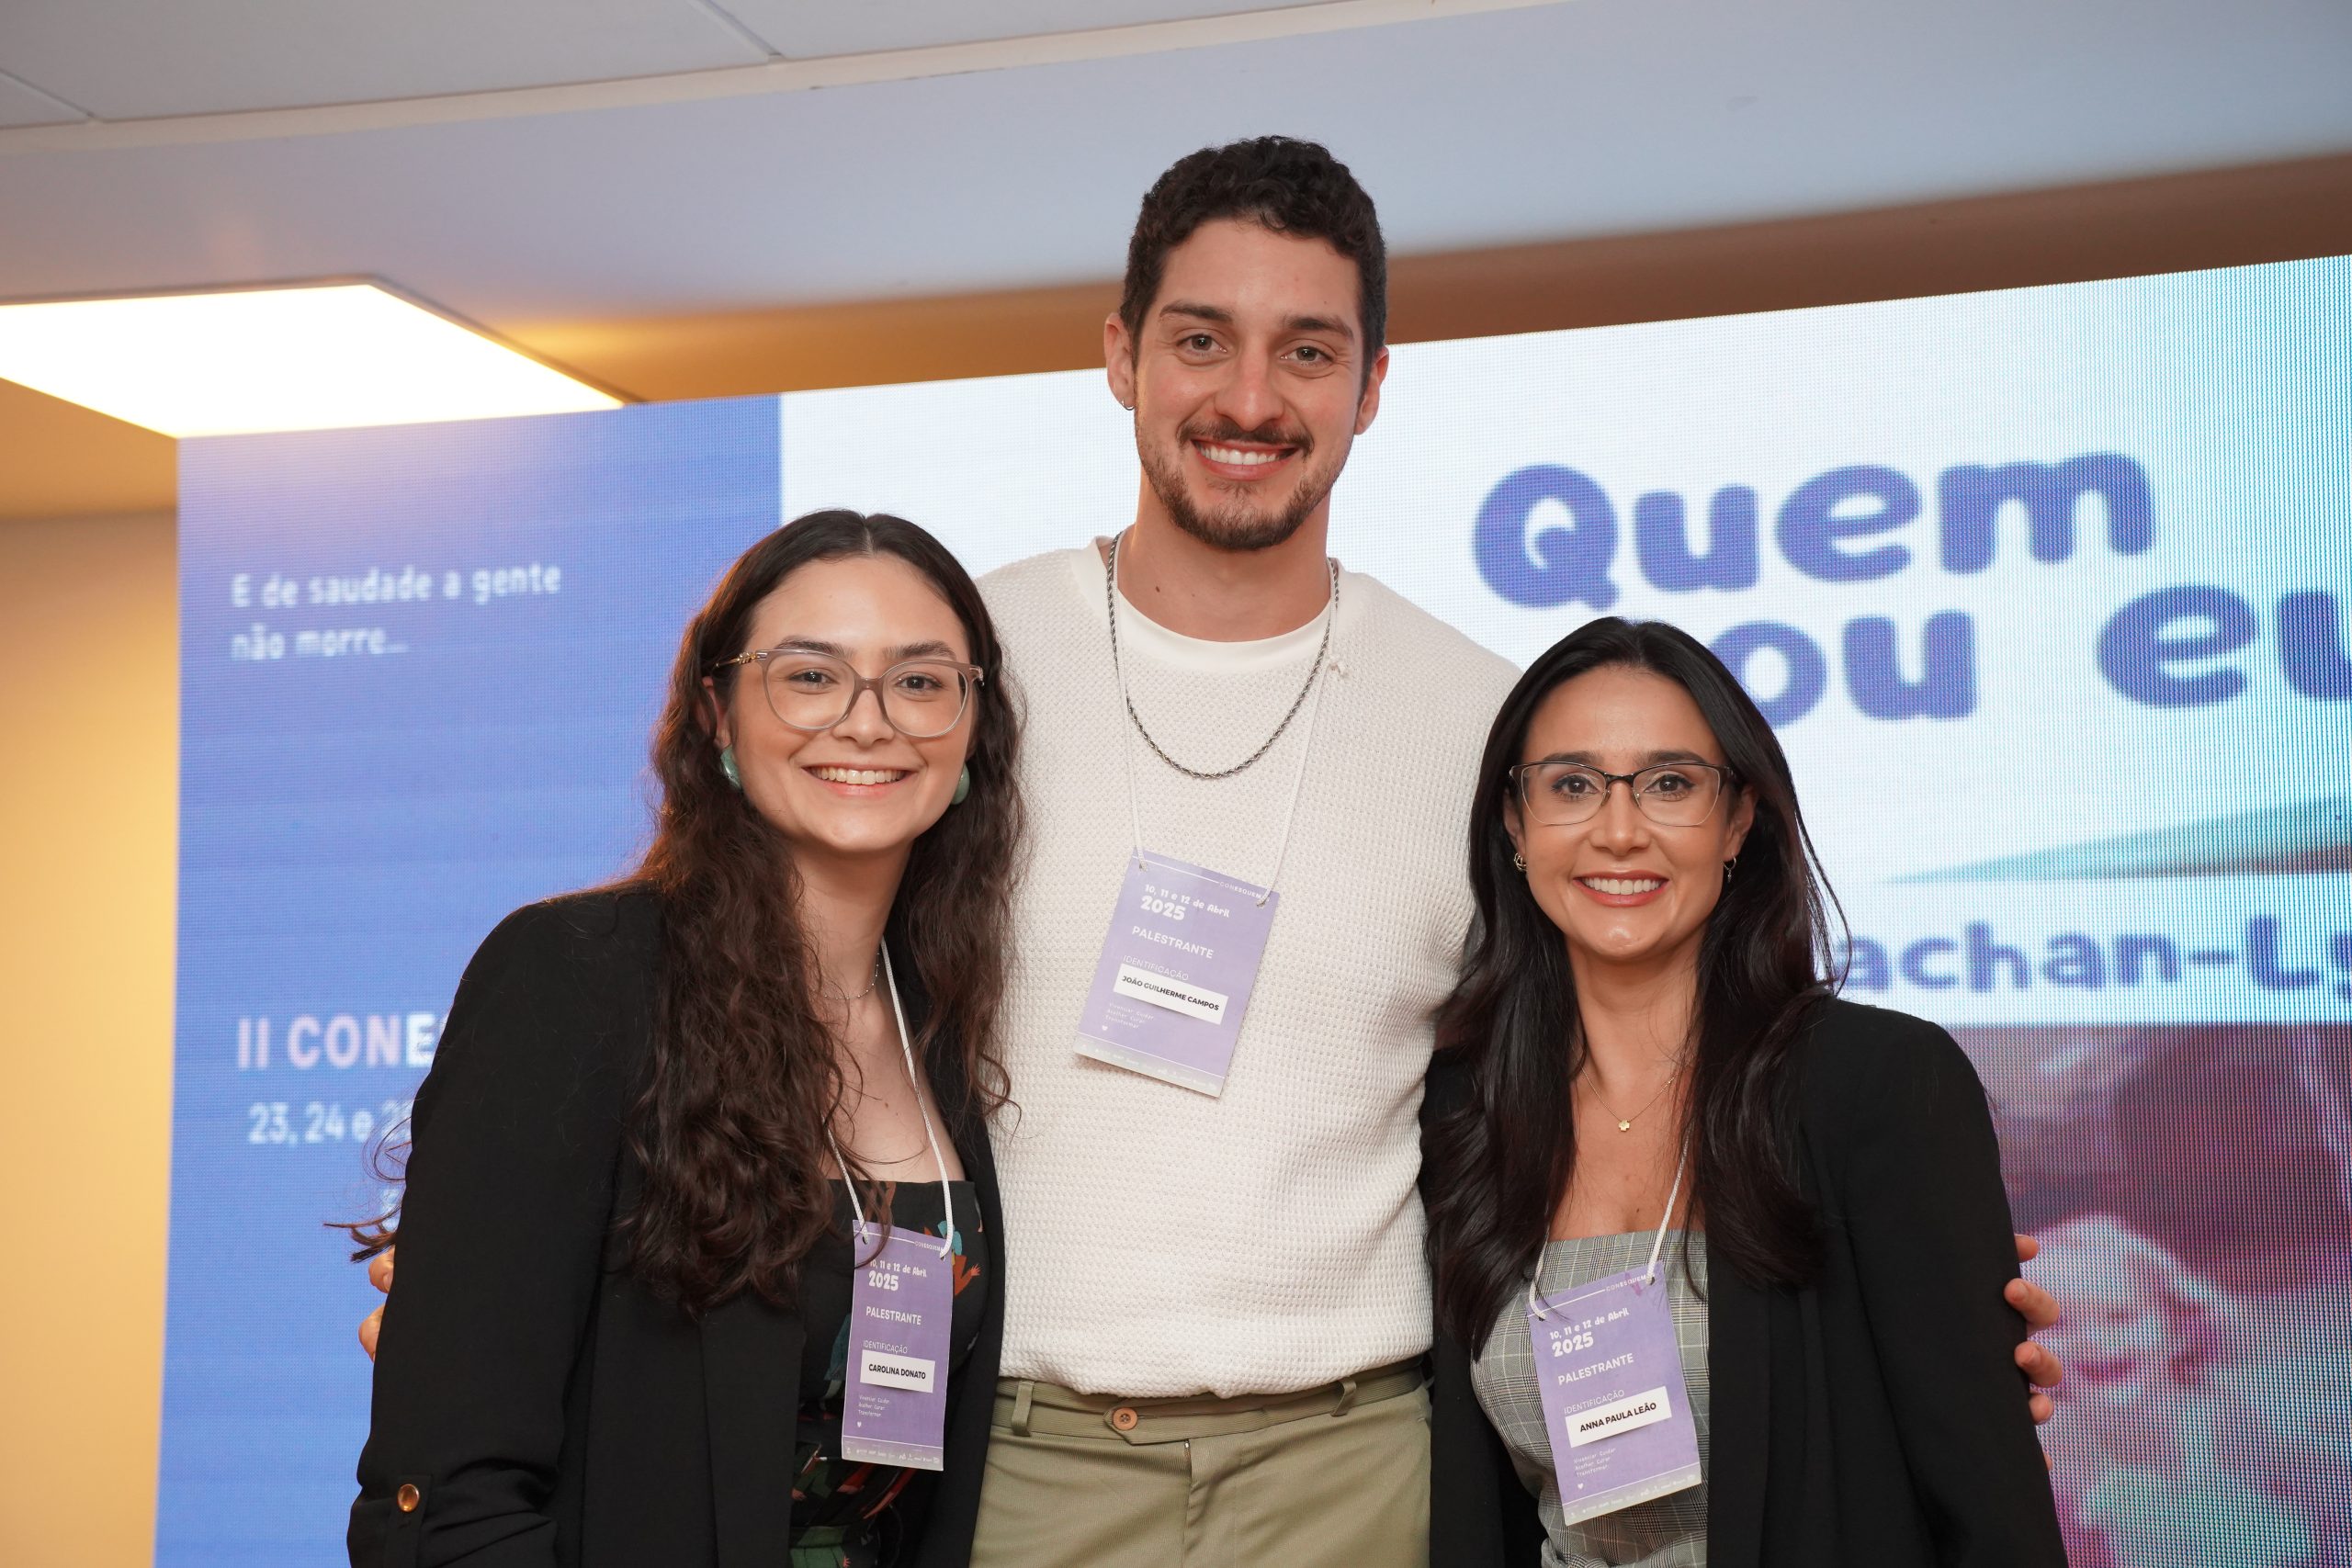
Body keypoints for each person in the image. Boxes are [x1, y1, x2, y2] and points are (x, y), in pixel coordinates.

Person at [363, 138, 2068, 1568]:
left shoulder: (1488, 723)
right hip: (1012, 1464)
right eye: (1201, 339)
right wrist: (527, 1290)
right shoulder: (958, 673)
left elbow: (1583, 1066)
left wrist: (1873, 1320)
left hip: (1361, 1469)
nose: (1250, 397)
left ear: (1373, 385)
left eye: (1308, 351)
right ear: (1120, 354)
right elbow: (767, 990)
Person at [348, 511, 1023, 1566]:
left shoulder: (937, 1021)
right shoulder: (576, 976)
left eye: (921, 680)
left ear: (973, 728)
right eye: (810, 676)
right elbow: (452, 1488)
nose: (867, 722)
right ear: (717, 714)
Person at [1422, 616, 2067, 1566]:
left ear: (1738, 822)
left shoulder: (1879, 1085)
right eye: (1572, 785)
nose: (1618, 830)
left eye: (1670, 784)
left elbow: (1992, 1513)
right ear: (1515, 825)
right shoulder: (1461, 1115)